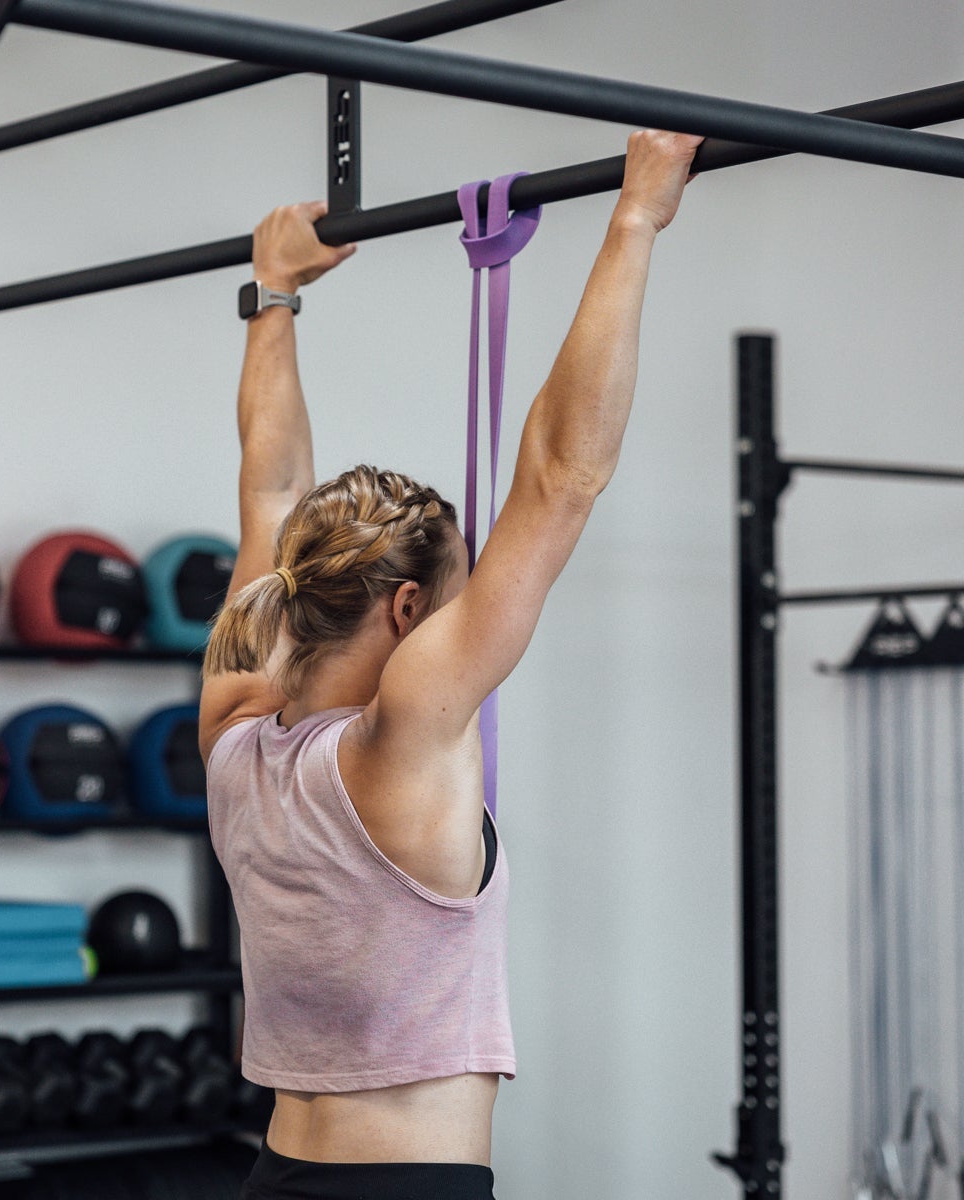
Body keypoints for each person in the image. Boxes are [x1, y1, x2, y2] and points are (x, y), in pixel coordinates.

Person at [200, 128, 704, 1200]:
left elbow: (267, 494)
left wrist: (273, 293)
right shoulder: (403, 738)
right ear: (413, 607)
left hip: (274, 1176)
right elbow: (562, 477)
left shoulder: (235, 722)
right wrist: (635, 218)